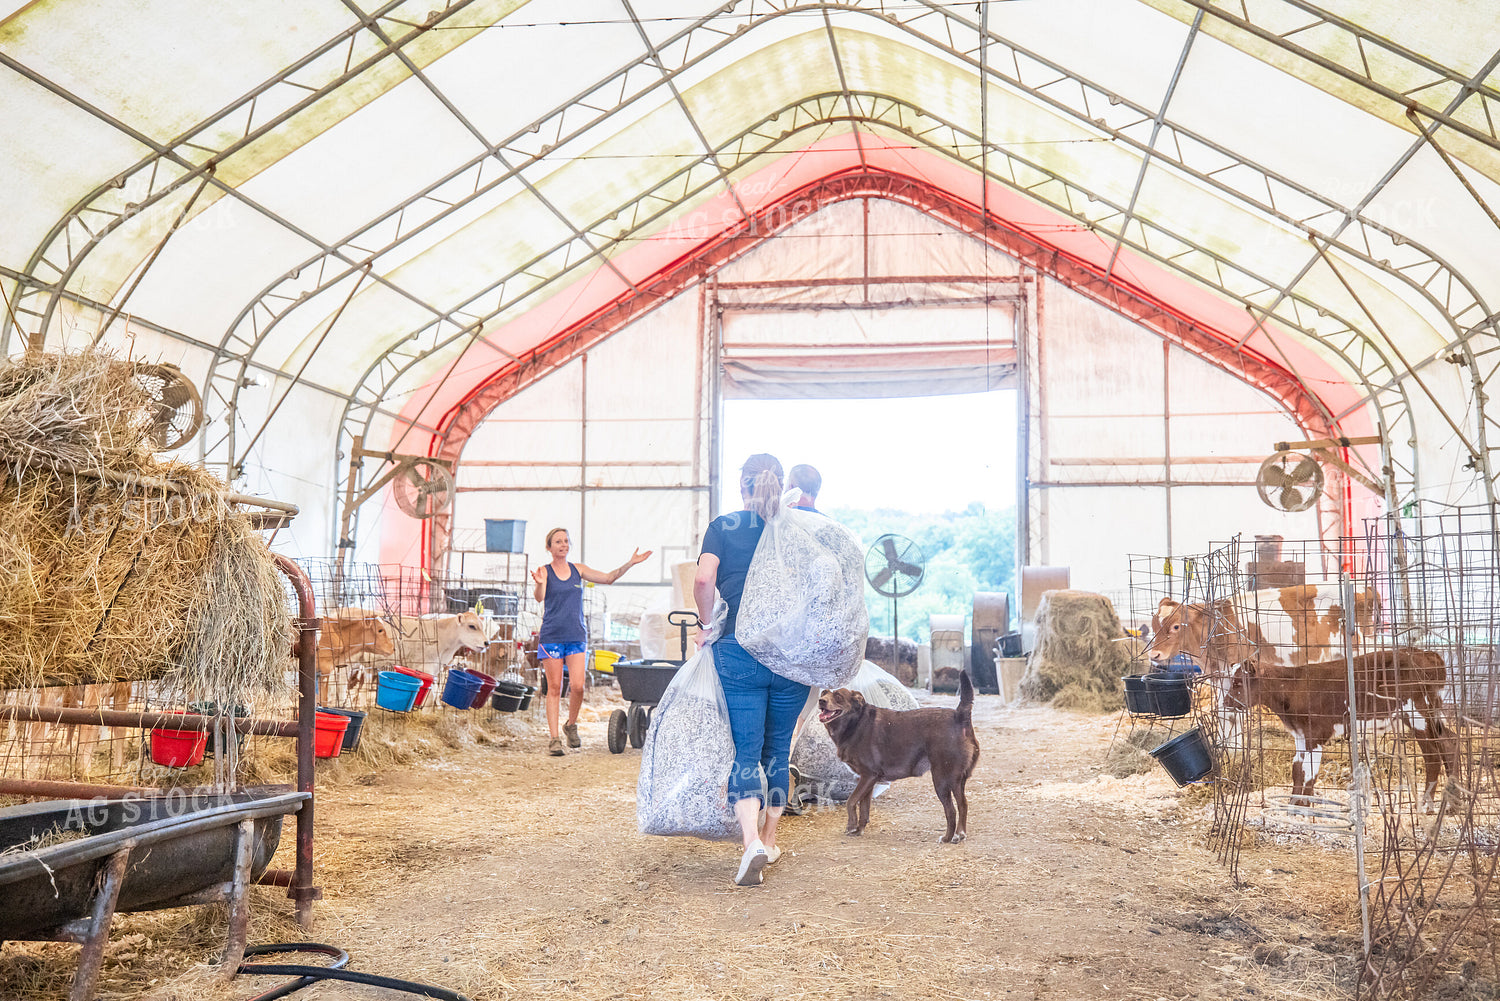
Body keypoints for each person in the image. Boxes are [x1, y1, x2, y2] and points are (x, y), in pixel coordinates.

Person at [694, 453, 810, 886]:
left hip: (739, 653)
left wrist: (706, 627)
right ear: (780, 486)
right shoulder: (796, 530)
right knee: (778, 751)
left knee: (745, 752)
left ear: (741, 485)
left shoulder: (723, 527)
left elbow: (704, 580)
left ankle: (750, 844)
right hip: (791, 657)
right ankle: (771, 837)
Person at [533, 528, 652, 756]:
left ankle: (571, 724)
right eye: (558, 541)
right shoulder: (545, 571)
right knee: (555, 687)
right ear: (549, 547)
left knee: (578, 686)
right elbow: (539, 597)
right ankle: (554, 739)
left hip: (576, 635)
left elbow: (609, 578)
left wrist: (630, 563)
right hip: (551, 636)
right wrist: (539, 583)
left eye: (566, 541)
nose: (563, 545)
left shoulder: (579, 570)